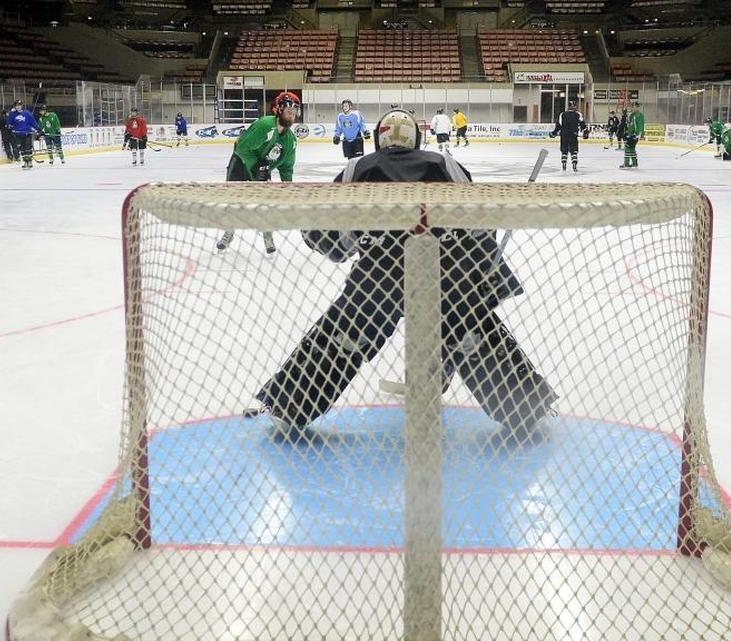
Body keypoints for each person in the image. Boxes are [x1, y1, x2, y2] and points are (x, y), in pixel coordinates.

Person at [254, 109, 557, 439]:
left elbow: (328, 238)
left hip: (377, 281)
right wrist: (487, 274)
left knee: (342, 337)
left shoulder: (358, 168)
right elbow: (478, 222)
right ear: (417, 136)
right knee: (472, 333)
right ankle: (526, 407)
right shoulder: (444, 163)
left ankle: (288, 405)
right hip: (448, 276)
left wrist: (350, 239)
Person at [215, 91, 300, 251]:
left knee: (265, 204)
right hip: (240, 163)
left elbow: (286, 167)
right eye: (289, 111)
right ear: (279, 109)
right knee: (233, 202)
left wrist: (288, 186)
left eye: (294, 113)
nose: (292, 116)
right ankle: (229, 232)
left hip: (261, 171)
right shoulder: (265, 125)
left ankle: (268, 236)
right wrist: (256, 167)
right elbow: (242, 148)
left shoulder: (290, 141)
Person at [550, 99, 589, 172]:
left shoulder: (563, 114)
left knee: (564, 150)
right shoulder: (578, 114)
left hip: (564, 134)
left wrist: (554, 133)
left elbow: (559, 125)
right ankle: (574, 164)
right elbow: (582, 124)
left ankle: (564, 164)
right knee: (574, 150)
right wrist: (585, 131)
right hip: (573, 134)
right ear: (574, 106)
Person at [7, 100, 41, 169]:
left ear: (22, 105)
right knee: (21, 149)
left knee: (28, 148)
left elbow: (33, 123)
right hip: (17, 135)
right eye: (16, 105)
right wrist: (10, 115)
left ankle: (30, 161)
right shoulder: (13, 114)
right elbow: (9, 123)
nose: (18, 107)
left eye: (19, 105)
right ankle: (25, 161)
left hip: (27, 134)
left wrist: (39, 130)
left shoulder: (27, 114)